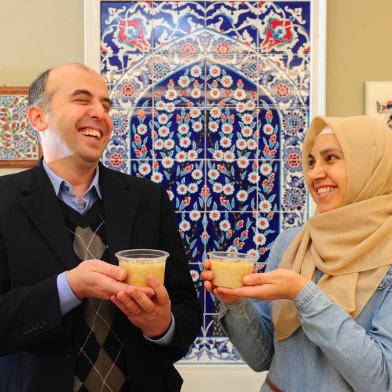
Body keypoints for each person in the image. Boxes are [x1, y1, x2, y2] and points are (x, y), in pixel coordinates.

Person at [0, 64, 202, 392]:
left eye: (106, 106)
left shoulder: (149, 200)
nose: (100, 114)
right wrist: (68, 288)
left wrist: (162, 325)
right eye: (82, 100)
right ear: (38, 118)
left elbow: (186, 310)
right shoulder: (4, 203)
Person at [202, 115, 392, 391]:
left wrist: (304, 294)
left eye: (331, 158)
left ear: (370, 166)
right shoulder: (293, 242)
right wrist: (235, 303)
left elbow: (381, 379)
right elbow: (262, 357)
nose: (314, 174)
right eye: (312, 162)